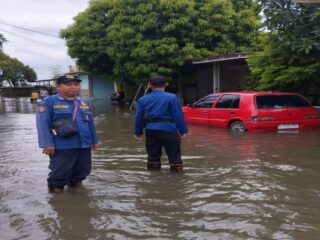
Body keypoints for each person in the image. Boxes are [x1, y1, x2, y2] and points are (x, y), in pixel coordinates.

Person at [36, 74, 99, 193]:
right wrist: (47, 144)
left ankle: (76, 198)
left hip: (84, 145)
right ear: (58, 87)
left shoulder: (84, 102)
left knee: (81, 173)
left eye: (76, 84)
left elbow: (90, 123)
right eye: (69, 84)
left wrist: (94, 141)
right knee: (60, 175)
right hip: (63, 146)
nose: (73, 87)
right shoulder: (48, 102)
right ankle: (57, 200)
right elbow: (42, 124)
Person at [134, 75, 188, 172]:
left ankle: (154, 180)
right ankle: (176, 181)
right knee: (175, 158)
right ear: (166, 84)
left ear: (150, 85)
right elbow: (178, 116)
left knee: (153, 158)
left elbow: (138, 117)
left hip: (151, 131)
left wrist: (138, 132)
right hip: (169, 130)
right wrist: (183, 131)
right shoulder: (172, 98)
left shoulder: (142, 99)